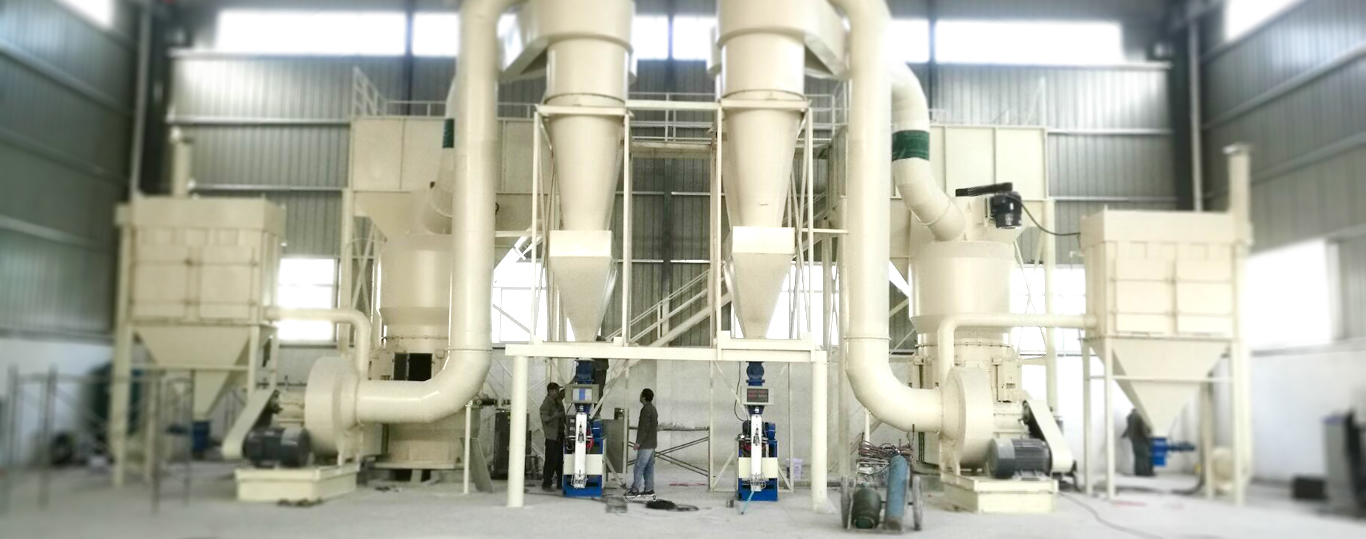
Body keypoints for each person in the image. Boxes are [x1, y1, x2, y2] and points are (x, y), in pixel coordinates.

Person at [627, 388, 658, 498]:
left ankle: (635, 489)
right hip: (652, 443)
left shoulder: (646, 410)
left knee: (639, 467)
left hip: (645, 444)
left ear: (644, 397)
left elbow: (644, 428)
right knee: (648, 468)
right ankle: (649, 489)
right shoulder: (653, 409)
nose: (639, 396)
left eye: (641, 395)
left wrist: (638, 442)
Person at [540, 382, 567, 490]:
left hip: (560, 434)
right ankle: (546, 483)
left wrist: (575, 379)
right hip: (551, 437)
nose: (558, 392)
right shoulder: (546, 404)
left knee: (560, 460)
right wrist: (555, 416)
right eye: (556, 390)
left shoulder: (558, 400)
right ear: (551, 391)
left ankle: (560, 482)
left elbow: (564, 392)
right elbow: (545, 419)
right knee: (551, 460)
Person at [1122, 408, 1154, 477]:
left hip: (1133, 439)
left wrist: (1124, 435)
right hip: (1141, 439)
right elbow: (1143, 429)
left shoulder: (1129, 416)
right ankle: (1145, 472)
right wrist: (1147, 439)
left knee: (1137, 456)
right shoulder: (1141, 416)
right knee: (1144, 456)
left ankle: (1138, 471)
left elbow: (1128, 427)